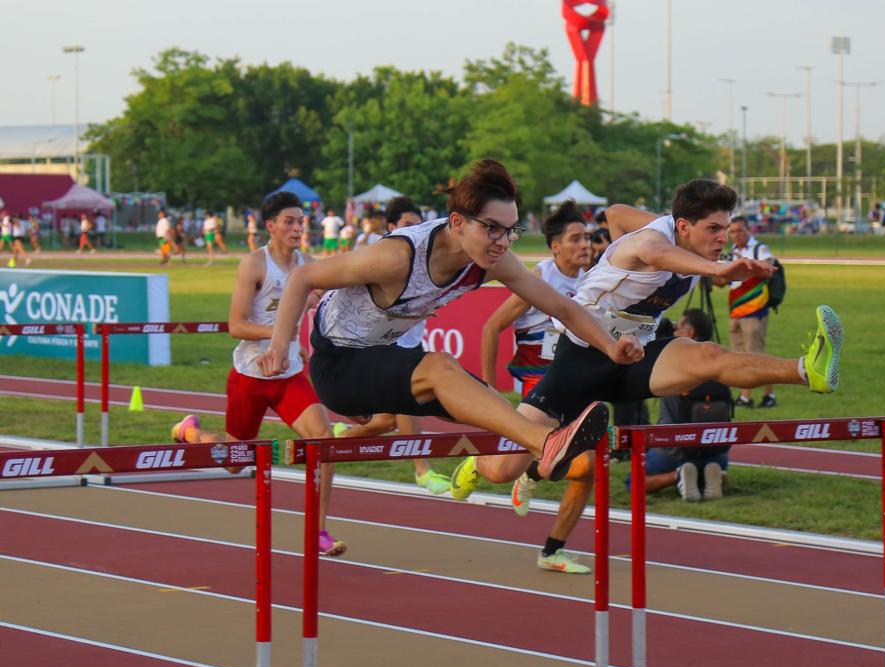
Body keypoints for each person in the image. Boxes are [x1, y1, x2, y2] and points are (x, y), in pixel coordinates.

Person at [256, 159, 644, 501]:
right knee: (440, 367)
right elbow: (303, 276)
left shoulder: (492, 260)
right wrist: (279, 347)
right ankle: (546, 443)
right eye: (492, 228)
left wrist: (610, 347)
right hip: (338, 364)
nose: (502, 242)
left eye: (511, 230)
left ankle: (490, 468)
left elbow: (560, 305)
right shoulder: (397, 257)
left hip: (381, 359)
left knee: (490, 403)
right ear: (457, 222)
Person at [506, 180, 842, 515]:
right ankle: (498, 470)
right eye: (713, 229)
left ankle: (807, 369)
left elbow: (615, 213)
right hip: (580, 356)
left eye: (725, 228)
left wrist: (726, 270)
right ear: (683, 226)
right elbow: (655, 251)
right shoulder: (655, 239)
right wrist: (716, 268)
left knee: (708, 355)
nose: (722, 238)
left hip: (633, 356)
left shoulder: (688, 241)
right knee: (502, 467)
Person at [171, 191, 347, 556]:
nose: (299, 227)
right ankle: (190, 431)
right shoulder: (254, 264)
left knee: (324, 442)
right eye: (290, 221)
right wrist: (280, 335)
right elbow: (236, 324)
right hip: (250, 376)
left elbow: (336, 294)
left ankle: (318, 531)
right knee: (237, 463)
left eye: (301, 221)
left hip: (288, 376)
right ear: (270, 226)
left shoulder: (309, 265)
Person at [480, 199, 593, 574]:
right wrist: (489, 389)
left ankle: (552, 549)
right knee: (570, 463)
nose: (584, 246)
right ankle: (480, 462)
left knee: (587, 469)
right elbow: (491, 327)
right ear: (555, 246)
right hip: (538, 379)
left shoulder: (594, 280)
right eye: (575, 239)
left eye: (587, 238)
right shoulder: (539, 279)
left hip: (576, 382)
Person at [326, 195, 451, 495]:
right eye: (408, 226)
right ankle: (423, 470)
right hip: (380, 347)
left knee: (386, 422)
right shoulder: (377, 259)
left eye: (419, 226)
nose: (415, 232)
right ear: (391, 228)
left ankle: (337, 439)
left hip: (412, 345)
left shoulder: (428, 260)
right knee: (406, 404)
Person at [625, 309, 733, 502]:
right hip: (717, 450)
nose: (675, 328)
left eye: (680, 326)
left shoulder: (675, 362)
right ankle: (709, 473)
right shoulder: (720, 362)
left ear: (690, 333)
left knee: (633, 483)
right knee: (709, 462)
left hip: (674, 450)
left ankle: (678, 475)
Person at [715, 216, 777, 408]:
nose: (736, 235)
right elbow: (722, 282)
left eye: (740, 230)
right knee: (739, 355)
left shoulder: (759, 249)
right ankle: (752, 397)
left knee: (755, 354)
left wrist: (746, 265)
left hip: (754, 308)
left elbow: (769, 271)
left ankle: (759, 396)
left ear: (748, 230)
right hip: (735, 308)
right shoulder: (731, 252)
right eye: (732, 232)